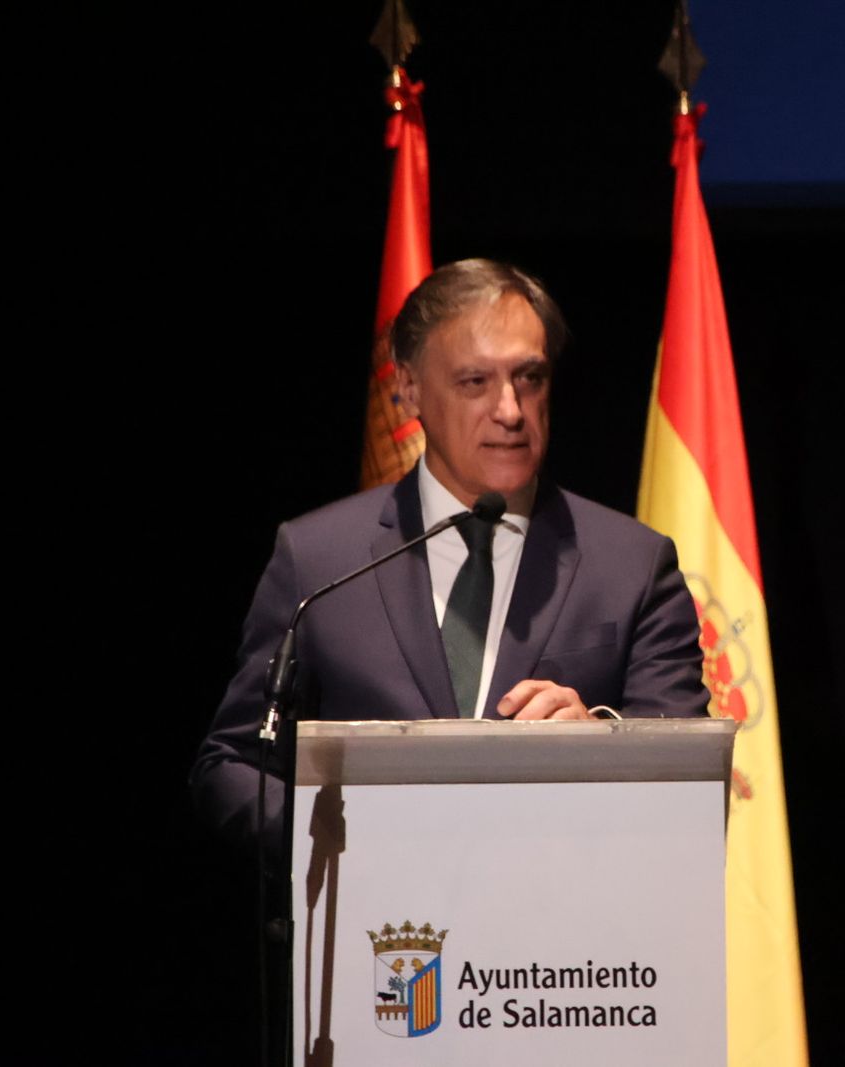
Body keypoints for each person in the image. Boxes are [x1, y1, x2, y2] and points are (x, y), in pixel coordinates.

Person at [191, 258, 710, 851]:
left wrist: (600, 743)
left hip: (562, 935)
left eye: (530, 378)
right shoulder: (318, 561)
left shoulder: (633, 567)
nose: (511, 411)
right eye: (475, 382)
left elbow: (691, 781)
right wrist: (339, 833)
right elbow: (230, 766)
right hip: (379, 933)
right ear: (408, 387)